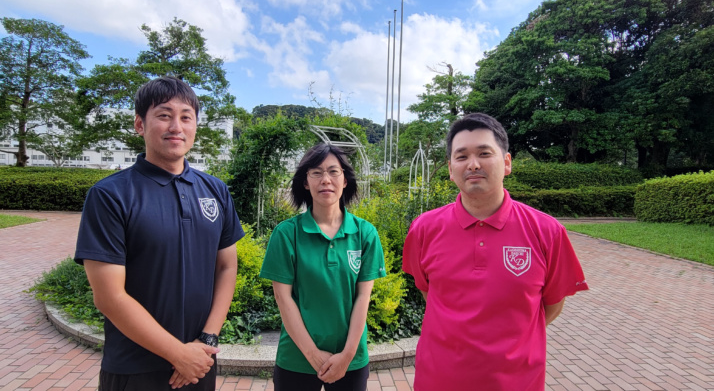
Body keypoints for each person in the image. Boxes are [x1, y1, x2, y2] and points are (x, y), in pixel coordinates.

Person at [74, 76, 244, 391]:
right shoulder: (110, 195)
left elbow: (226, 266)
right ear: (140, 124)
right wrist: (177, 354)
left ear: (195, 126)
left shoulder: (215, 190)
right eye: (164, 115)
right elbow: (110, 297)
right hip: (134, 368)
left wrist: (206, 340)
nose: (176, 126)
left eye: (185, 117)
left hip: (199, 361)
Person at [402, 113, 589, 391]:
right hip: (438, 379)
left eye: (484, 153)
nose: (473, 164)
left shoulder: (547, 231)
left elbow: (551, 304)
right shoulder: (424, 229)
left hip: (517, 381)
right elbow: (429, 291)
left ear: (507, 162)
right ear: (451, 169)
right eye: (461, 156)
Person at [259, 143, 386, 391]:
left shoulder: (365, 233)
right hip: (296, 358)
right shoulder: (286, 234)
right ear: (306, 182)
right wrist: (313, 354)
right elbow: (283, 298)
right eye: (316, 172)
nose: (325, 180)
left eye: (333, 172)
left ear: (345, 180)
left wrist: (347, 356)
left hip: (351, 359)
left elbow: (363, 297)